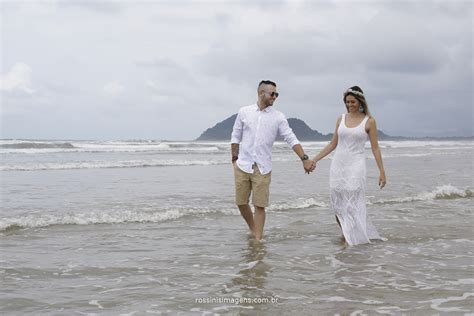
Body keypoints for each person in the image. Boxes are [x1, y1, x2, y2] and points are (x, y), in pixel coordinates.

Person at [231, 80, 315, 241]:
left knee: (260, 205)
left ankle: (258, 240)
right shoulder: (244, 112)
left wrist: (304, 158)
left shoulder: (278, 117)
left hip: (263, 167)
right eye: (272, 93)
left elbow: (291, 138)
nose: (275, 97)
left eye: (277, 94)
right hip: (243, 165)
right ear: (261, 93)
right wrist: (234, 158)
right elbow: (235, 135)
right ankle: (253, 228)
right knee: (241, 203)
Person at [311, 86, 386, 246]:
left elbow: (375, 148)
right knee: (337, 206)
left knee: (352, 205)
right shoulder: (341, 119)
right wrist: (314, 160)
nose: (350, 105)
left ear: (360, 102)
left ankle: (349, 238)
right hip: (338, 166)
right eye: (347, 102)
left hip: (356, 166)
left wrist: (382, 172)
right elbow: (333, 144)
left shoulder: (369, 121)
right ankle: (347, 234)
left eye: (353, 102)